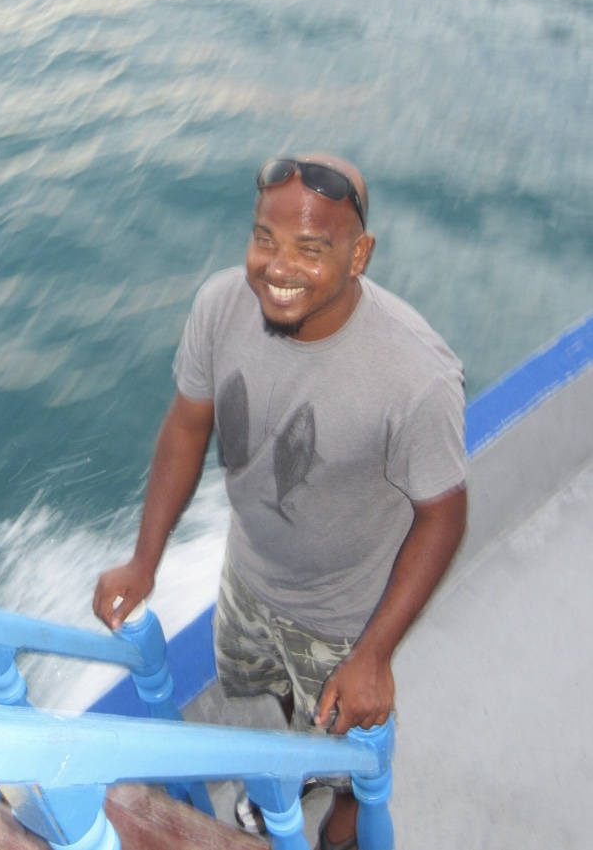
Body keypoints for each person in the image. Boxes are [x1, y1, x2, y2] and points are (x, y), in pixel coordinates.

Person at [93, 153, 467, 850]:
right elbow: (186, 425)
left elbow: (442, 516)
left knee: (353, 755)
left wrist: (374, 654)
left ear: (359, 255)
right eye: (264, 238)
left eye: (310, 248)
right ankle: (293, 780)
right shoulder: (219, 305)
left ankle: (343, 818)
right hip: (247, 580)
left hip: (345, 619)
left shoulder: (417, 376)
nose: (278, 266)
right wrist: (144, 561)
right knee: (269, 698)